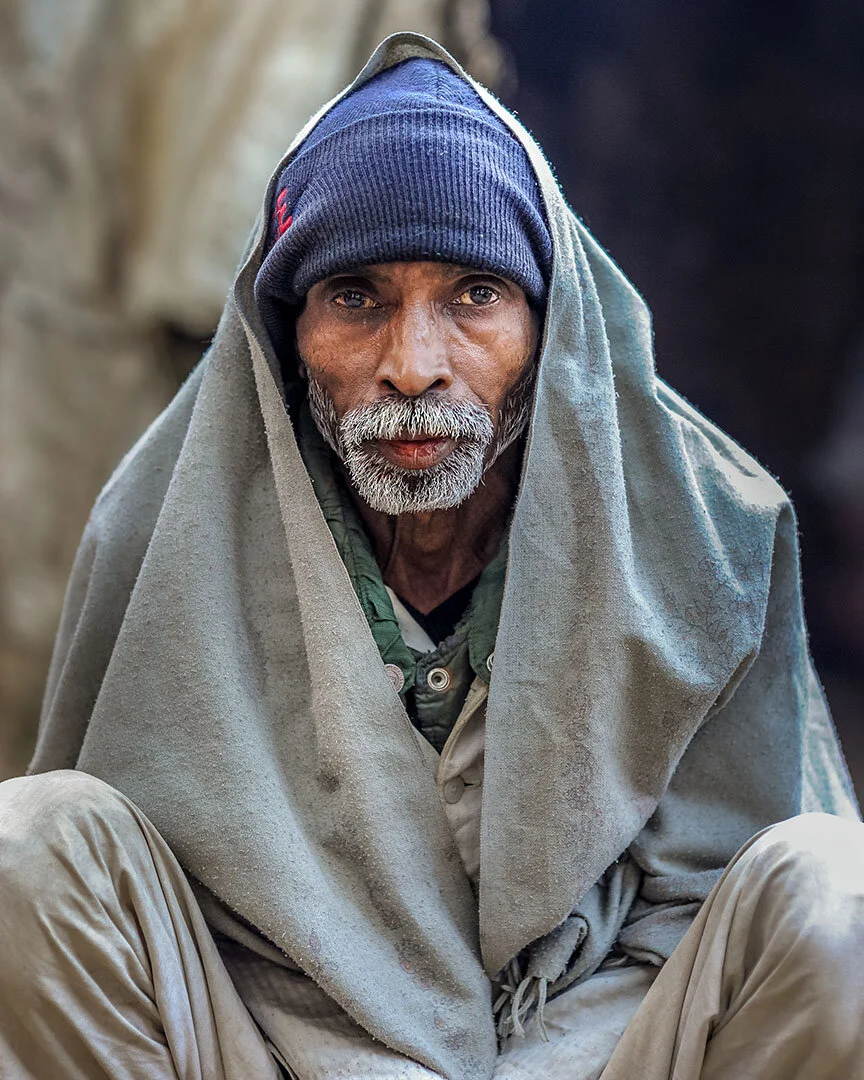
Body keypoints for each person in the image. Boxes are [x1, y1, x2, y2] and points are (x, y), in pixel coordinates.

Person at [0, 31, 860, 1080]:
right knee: (29, 840)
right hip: (271, 1058)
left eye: (474, 296)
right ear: (287, 330)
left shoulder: (707, 532)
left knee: (836, 890)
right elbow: (116, 929)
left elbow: (713, 909)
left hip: (601, 1059)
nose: (413, 366)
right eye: (356, 297)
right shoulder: (161, 532)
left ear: (552, 326)